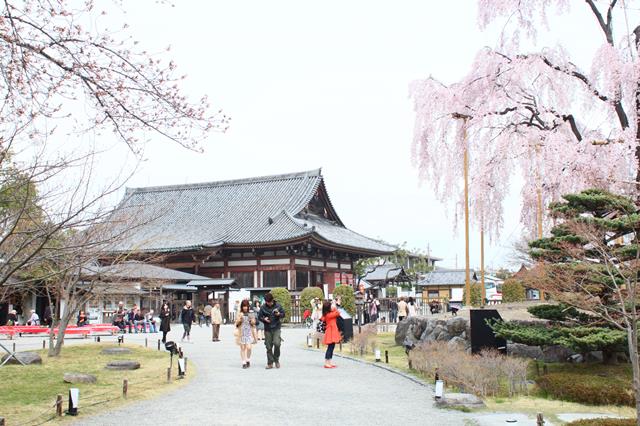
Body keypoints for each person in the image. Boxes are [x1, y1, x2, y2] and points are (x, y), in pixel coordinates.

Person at [258, 292, 284, 369]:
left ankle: (276, 360)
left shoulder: (278, 306)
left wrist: (279, 314)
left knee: (277, 343)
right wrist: (264, 319)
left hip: (276, 327)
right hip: (267, 328)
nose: (268, 303)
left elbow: (283, 314)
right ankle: (270, 363)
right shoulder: (263, 307)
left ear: (272, 300)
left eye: (269, 302)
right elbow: (259, 317)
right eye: (267, 302)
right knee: (268, 346)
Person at [235, 300, 257, 368]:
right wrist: (240, 320)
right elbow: (236, 324)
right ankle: (244, 362)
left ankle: (248, 359)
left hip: (249, 332)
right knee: (242, 348)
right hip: (241, 332)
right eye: (244, 306)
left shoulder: (251, 313)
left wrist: (251, 320)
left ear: (248, 306)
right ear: (242, 306)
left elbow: (254, 323)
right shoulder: (239, 313)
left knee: (249, 347)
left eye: (246, 306)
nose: (245, 307)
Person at [321, 299, 341, 368]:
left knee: (331, 347)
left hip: (331, 331)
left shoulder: (327, 313)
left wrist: (334, 304)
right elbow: (338, 313)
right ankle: (327, 363)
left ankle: (329, 362)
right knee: (330, 347)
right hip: (331, 331)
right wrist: (335, 306)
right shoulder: (329, 315)